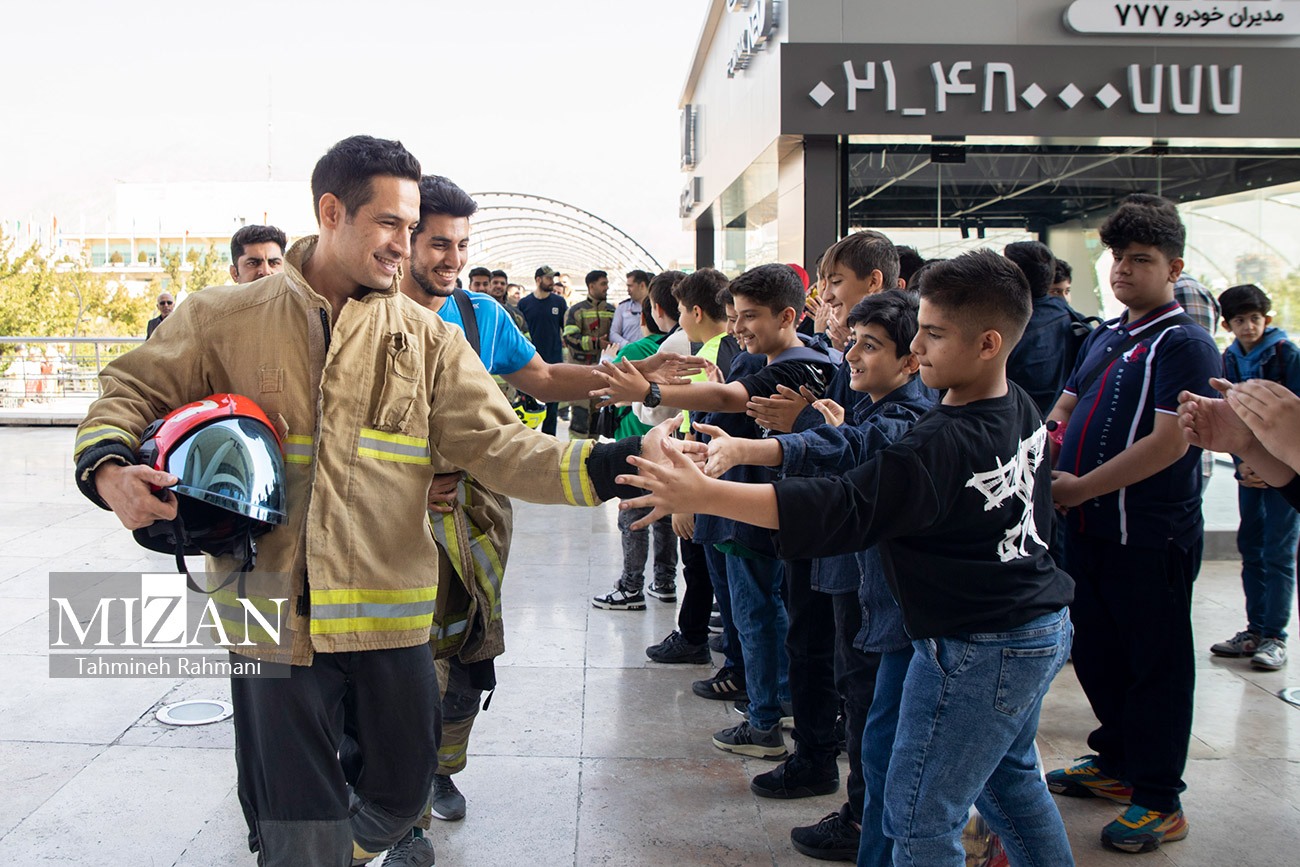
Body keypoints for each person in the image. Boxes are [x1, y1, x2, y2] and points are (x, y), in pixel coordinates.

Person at [72, 135, 661, 867]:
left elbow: (507, 448)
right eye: (390, 224)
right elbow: (124, 392)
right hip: (268, 613)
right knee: (294, 826)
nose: (404, 245)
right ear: (330, 211)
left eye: (411, 229)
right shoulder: (222, 317)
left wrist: (624, 461)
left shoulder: (427, 338)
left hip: (390, 612)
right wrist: (108, 469)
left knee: (399, 793)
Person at [618, 250, 1076, 867]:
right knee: (1011, 786)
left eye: (933, 334)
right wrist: (755, 453)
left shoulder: (945, 436)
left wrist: (706, 492)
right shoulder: (1010, 402)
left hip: (981, 644)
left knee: (918, 817)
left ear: (989, 343)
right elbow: (858, 446)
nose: (919, 347)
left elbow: (843, 503)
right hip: (1031, 627)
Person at [697, 290, 935, 863]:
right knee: (859, 703)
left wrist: (749, 455)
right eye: (850, 339)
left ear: (913, 357)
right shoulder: (873, 404)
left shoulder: (914, 415)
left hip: (879, 598)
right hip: (851, 578)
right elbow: (849, 441)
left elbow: (854, 447)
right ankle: (861, 818)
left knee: (877, 723)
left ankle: (863, 823)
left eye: (868, 345)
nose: (850, 353)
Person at [594, 263, 837, 760]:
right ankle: (779, 703)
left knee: (754, 615)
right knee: (771, 614)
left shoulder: (798, 364)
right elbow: (725, 401)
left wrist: (650, 391)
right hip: (764, 513)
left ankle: (764, 719)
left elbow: (725, 400)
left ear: (789, 316)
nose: (738, 327)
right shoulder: (810, 360)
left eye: (749, 316)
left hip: (747, 516)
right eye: (733, 316)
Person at [1046, 195, 1222, 854]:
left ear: (1174, 266)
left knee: (1157, 665)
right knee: (1096, 651)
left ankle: (1158, 796)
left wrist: (1081, 486)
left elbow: (1172, 442)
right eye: (1117, 256)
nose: (1122, 269)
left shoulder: (1185, 342)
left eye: (1140, 259)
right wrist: (1042, 456)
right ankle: (1117, 762)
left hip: (1150, 535)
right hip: (1089, 531)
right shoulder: (1109, 333)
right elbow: (1063, 410)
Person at [642, 269, 736, 665]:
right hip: (721, 479)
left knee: (699, 565)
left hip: (703, 478)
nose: (679, 319)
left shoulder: (708, 355)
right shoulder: (731, 349)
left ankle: (695, 636)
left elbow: (698, 428)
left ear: (696, 312)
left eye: (681, 310)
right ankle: (729, 643)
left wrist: (686, 499)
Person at [1207, 284, 1300, 671]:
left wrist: (1277, 463)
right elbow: (1230, 417)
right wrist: (1244, 460)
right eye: (1240, 320)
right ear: (1227, 324)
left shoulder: (1287, 354)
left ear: (1268, 319)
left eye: (1255, 319)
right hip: (1250, 469)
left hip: (1286, 473)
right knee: (1252, 546)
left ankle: (1275, 635)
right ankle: (1254, 629)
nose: (1249, 327)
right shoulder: (1229, 359)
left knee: (1278, 550)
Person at [1003, 240, 1076, 416]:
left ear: (1013, 275)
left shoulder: (1010, 332)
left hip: (1016, 424)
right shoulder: (1075, 320)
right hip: (1053, 425)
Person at [562, 270, 615, 437]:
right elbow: (570, 338)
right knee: (579, 416)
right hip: (579, 372)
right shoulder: (576, 311)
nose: (606, 287)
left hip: (602, 372)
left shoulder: (612, 310)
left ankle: (592, 454)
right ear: (591, 286)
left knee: (597, 417)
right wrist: (596, 343)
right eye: (603, 284)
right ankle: (576, 455)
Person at [517, 266, 567, 434]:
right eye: (549, 278)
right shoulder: (524, 304)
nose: (552, 282)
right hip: (530, 361)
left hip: (554, 361)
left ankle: (550, 442)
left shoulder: (559, 303)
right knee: (527, 406)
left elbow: (565, 329)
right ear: (538, 280)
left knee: (552, 407)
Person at [610, 269, 651, 348]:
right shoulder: (622, 308)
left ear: (642, 285)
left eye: (630, 286)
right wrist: (628, 345)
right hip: (628, 354)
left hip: (651, 352)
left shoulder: (655, 307)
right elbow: (613, 334)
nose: (628, 290)